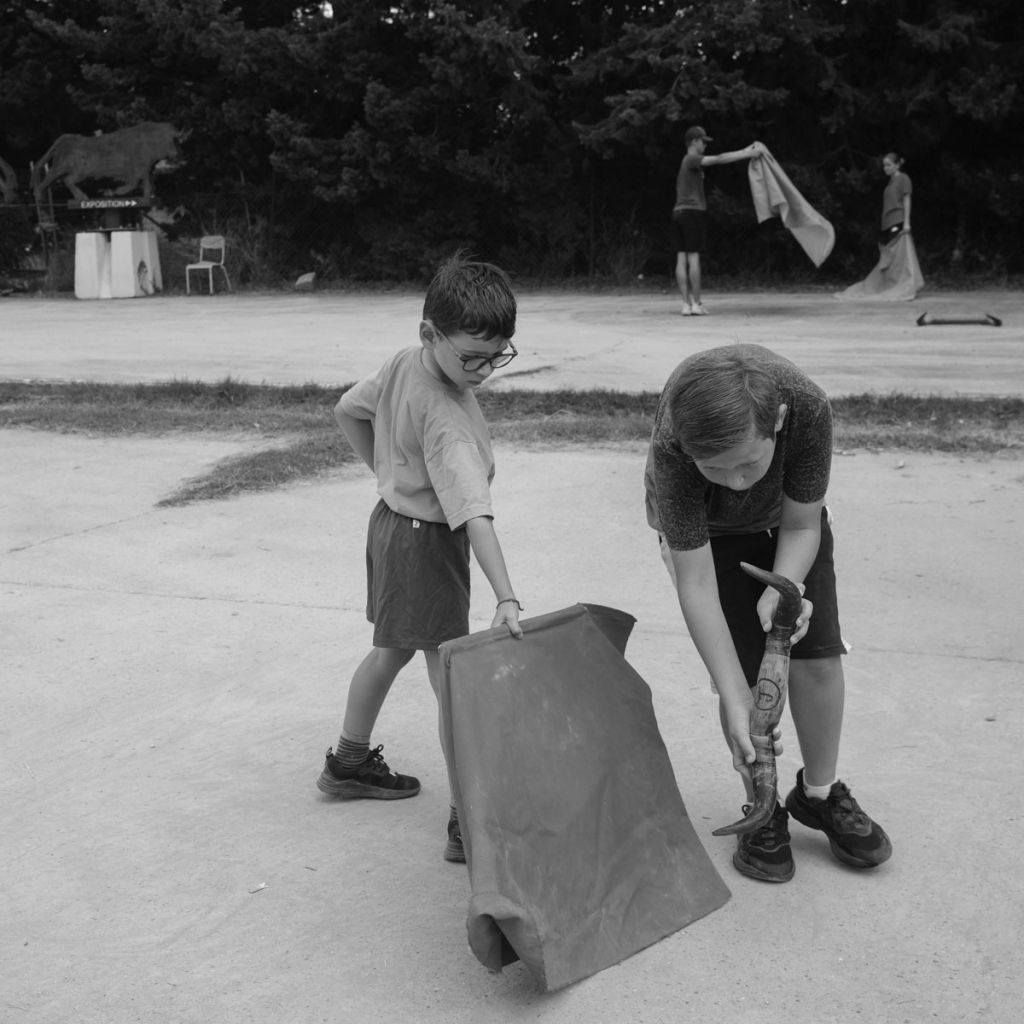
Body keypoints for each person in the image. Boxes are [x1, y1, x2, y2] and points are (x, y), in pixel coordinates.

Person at [645, 343, 892, 883]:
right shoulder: (674, 444)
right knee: (744, 684)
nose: (736, 481)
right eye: (716, 468)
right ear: (688, 451)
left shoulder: (805, 407)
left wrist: (790, 584)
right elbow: (697, 581)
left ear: (777, 422)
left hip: (789, 523)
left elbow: (803, 526)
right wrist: (732, 696)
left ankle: (819, 795)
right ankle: (762, 807)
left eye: (749, 463)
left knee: (818, 658)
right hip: (710, 537)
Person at [316, 253, 524, 864]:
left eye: (498, 355)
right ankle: (468, 818)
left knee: (392, 649)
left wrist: (389, 477)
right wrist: (506, 595)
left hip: (390, 525)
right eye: (473, 357)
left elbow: (348, 409)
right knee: (449, 681)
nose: (484, 371)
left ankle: (349, 761)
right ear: (430, 333)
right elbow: (475, 516)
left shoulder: (406, 362)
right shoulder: (447, 421)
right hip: (427, 544)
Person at [671, 126, 764, 316]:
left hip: (678, 213)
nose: (705, 145)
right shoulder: (691, 159)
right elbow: (720, 159)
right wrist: (748, 153)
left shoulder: (686, 162)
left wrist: (746, 150)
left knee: (681, 258)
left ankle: (685, 305)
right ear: (694, 141)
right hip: (692, 212)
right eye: (703, 141)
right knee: (693, 257)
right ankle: (696, 303)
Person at [835, 151, 923, 301]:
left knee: (897, 255)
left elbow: (907, 199)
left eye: (889, 165)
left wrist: (907, 222)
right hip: (888, 222)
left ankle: (901, 285)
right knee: (890, 256)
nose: (886, 168)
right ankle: (891, 284)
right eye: (884, 166)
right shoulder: (891, 182)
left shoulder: (903, 178)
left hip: (898, 220)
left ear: (897, 165)